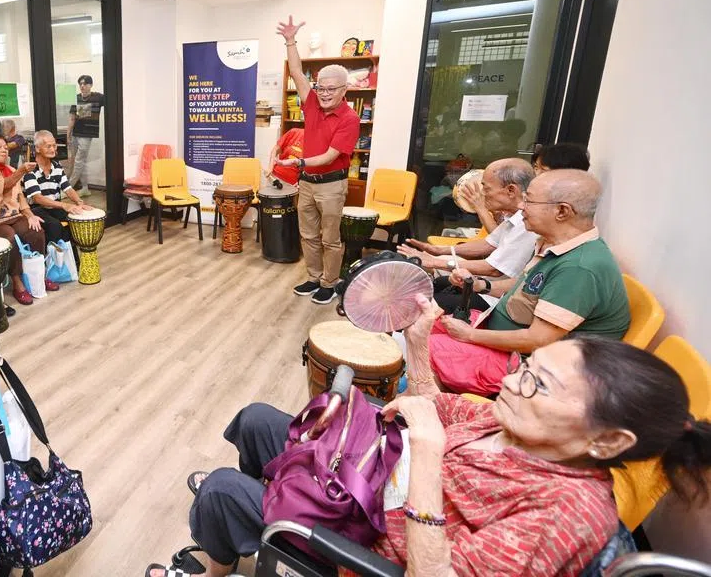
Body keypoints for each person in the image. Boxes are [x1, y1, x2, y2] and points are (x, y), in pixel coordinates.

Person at [164, 330, 711, 577]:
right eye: (526, 367)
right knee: (259, 419)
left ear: (608, 441)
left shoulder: (565, 512)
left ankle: (219, 564)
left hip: (372, 548)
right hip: (372, 487)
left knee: (222, 489)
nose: (511, 383)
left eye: (537, 384)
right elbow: (438, 404)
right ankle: (265, 522)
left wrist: (427, 454)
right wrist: (420, 342)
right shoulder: (514, 424)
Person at [406, 169, 630, 398]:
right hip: (508, 340)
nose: (522, 206)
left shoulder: (579, 267)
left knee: (427, 346)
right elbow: (526, 287)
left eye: (529, 201)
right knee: (423, 324)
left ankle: (426, 407)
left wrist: (469, 335)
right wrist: (482, 286)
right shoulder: (556, 246)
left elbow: (537, 339)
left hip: (532, 367)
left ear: (562, 211)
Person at [275, 15, 360, 305]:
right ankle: (313, 278)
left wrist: (298, 163)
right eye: (320, 87)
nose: (324, 94)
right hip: (308, 183)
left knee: (329, 238)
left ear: (344, 89)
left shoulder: (350, 118)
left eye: (331, 89)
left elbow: (329, 157)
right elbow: (297, 72)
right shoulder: (311, 102)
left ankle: (330, 282)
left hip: (331, 185)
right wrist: (290, 40)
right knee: (308, 235)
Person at [399, 158, 538, 315]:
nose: (482, 194)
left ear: (511, 190)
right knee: (434, 285)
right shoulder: (513, 217)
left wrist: (436, 262)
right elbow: (489, 244)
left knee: (419, 305)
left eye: (486, 188)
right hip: (482, 284)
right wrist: (440, 250)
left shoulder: (525, 223)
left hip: (494, 298)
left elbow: (494, 269)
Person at [0, 132, 55, 306]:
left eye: (5, 147)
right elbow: (2, 187)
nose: (4, 150)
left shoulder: (10, 170)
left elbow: (20, 199)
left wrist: (31, 215)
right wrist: (22, 171)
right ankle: (17, 281)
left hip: (13, 216)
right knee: (8, 235)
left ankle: (39, 275)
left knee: (35, 229)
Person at [22, 129, 90, 244]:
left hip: (55, 207)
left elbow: (67, 188)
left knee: (77, 219)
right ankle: (54, 254)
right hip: (37, 209)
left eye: (54, 145)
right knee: (54, 226)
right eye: (48, 146)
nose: (53, 149)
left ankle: (71, 254)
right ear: (37, 148)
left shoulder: (57, 166)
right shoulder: (30, 170)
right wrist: (64, 205)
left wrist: (79, 202)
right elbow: (37, 198)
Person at [67, 74, 105, 197]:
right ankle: (85, 188)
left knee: (79, 161)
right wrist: (68, 134)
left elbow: (113, 100)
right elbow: (72, 118)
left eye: (85, 83)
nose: (82, 86)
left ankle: (68, 188)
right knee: (78, 161)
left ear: (90, 85)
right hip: (75, 133)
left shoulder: (98, 97)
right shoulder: (76, 98)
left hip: (87, 135)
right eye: (80, 84)